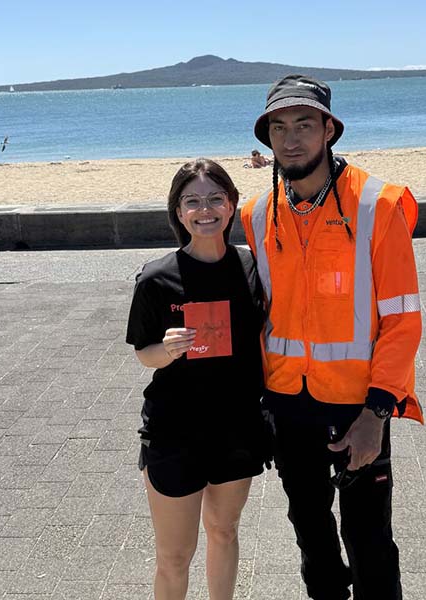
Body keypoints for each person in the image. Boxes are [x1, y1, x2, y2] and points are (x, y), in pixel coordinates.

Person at [240, 74, 423, 600]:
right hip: (287, 408)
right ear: (268, 138)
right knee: (312, 540)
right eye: (278, 128)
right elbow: (262, 315)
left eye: (303, 125)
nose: (291, 138)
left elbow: (403, 320)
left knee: (369, 542)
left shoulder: (377, 205)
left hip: (358, 407)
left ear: (328, 130)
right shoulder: (257, 214)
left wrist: (376, 414)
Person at [126, 159, 268, 600]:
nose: (204, 210)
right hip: (175, 433)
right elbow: (142, 354)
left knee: (224, 532)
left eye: (214, 199)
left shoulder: (252, 268)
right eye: (192, 202)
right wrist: (166, 351)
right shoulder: (156, 278)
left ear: (231, 206)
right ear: (179, 212)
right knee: (174, 555)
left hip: (237, 428)